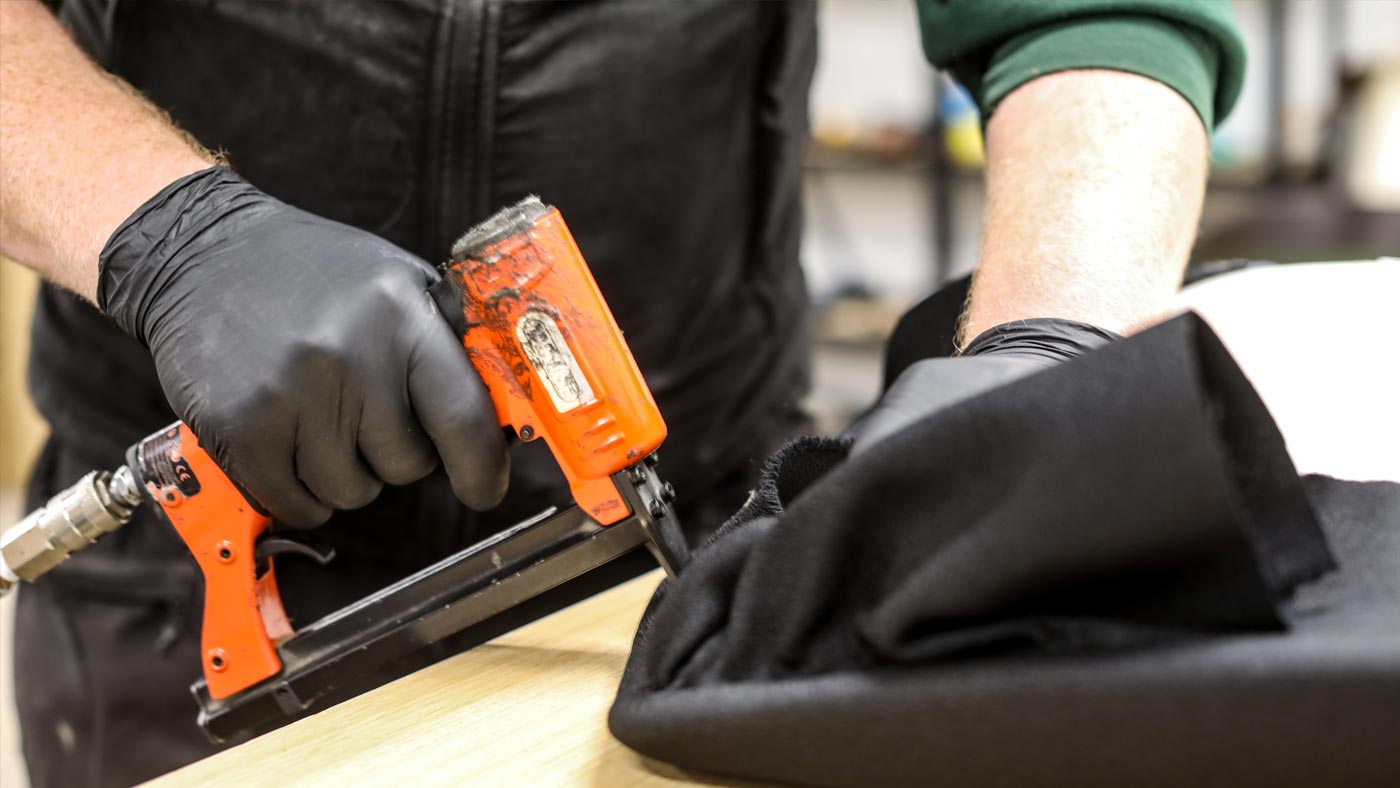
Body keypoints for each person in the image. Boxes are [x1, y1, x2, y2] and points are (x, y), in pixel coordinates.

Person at [0, 0, 1244, 785]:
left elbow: (1097, 17)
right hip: (175, 575)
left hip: (685, 553)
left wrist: (1050, 343)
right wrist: (171, 233)